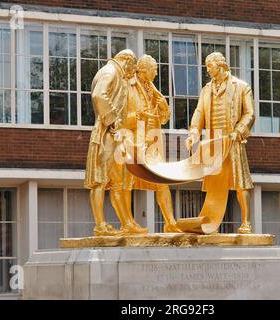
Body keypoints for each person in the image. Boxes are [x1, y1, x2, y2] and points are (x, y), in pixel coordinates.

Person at [185, 52, 255, 234]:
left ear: (220, 65)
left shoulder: (241, 86)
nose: (207, 70)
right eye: (207, 66)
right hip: (213, 143)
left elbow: (250, 114)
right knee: (214, 185)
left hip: (232, 140)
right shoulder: (206, 89)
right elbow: (199, 113)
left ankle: (246, 222)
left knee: (240, 183)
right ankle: (211, 223)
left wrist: (238, 131)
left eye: (210, 66)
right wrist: (193, 133)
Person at [84, 49, 147, 236]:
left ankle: (126, 223)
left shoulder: (115, 73)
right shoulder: (110, 71)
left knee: (117, 181)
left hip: (114, 134)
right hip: (106, 134)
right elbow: (98, 95)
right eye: (132, 68)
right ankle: (100, 225)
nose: (131, 73)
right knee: (100, 180)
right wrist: (113, 121)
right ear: (127, 61)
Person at [125, 54, 181, 232]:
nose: (156, 73)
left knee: (161, 181)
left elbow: (162, 119)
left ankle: (170, 222)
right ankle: (127, 223)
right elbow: (120, 117)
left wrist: (164, 107)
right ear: (142, 69)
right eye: (153, 69)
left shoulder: (153, 88)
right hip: (133, 141)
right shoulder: (127, 85)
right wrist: (139, 116)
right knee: (126, 183)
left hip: (152, 142)